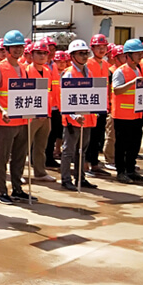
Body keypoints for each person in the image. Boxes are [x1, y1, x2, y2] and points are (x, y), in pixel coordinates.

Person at [0, 30, 33, 204]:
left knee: (20, 157)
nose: (18, 49)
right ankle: (1, 191)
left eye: (20, 46)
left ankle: (17, 189)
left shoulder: (23, 68)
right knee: (3, 157)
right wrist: (2, 110)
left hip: (22, 119)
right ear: (6, 49)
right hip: (5, 120)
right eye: (14, 47)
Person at [59, 40, 98, 191]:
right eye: (81, 53)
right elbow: (64, 99)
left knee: (82, 150)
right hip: (72, 120)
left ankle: (80, 177)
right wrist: (74, 116)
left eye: (86, 53)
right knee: (68, 151)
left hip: (87, 118)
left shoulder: (89, 72)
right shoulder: (68, 74)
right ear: (72, 56)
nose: (84, 56)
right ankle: (66, 179)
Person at [112, 39, 143, 183]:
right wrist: (132, 83)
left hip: (137, 114)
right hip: (122, 116)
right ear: (128, 55)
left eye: (140, 53)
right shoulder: (120, 72)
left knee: (134, 144)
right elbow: (116, 90)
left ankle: (130, 170)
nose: (140, 56)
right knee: (122, 145)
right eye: (137, 53)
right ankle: (121, 172)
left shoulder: (138, 69)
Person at [26, 40, 56, 182]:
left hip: (46, 114)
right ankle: (17, 174)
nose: (42, 56)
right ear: (31, 55)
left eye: (45, 53)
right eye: (39, 53)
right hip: (31, 115)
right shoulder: (26, 71)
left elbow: (49, 93)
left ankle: (40, 172)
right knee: (24, 146)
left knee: (41, 146)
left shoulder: (48, 71)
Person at [85, 34, 111, 177]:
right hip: (90, 105)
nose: (101, 50)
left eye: (103, 47)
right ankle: (86, 164)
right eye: (98, 47)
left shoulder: (106, 65)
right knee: (89, 137)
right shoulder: (87, 63)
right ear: (92, 48)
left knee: (98, 136)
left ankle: (94, 164)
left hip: (102, 105)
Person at [104, 45, 125, 170]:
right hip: (113, 108)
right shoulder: (111, 72)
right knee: (111, 135)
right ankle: (110, 159)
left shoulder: (127, 70)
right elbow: (107, 90)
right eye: (123, 56)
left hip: (125, 109)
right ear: (116, 58)